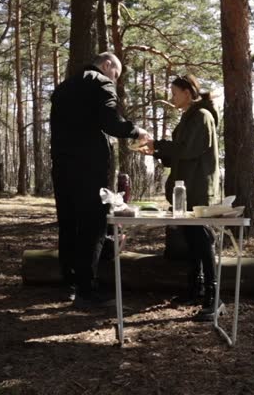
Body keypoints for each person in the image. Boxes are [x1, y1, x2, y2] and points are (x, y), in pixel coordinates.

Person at [50, 52, 152, 309]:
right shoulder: (101, 83)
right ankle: (86, 290)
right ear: (107, 65)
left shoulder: (64, 88)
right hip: (88, 168)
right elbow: (111, 122)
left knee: (68, 223)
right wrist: (136, 130)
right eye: (115, 74)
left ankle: (69, 285)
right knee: (92, 226)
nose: (115, 81)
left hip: (62, 166)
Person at [141, 74, 223, 321]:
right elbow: (181, 152)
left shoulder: (201, 116)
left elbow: (189, 150)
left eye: (175, 93)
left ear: (188, 92)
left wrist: (159, 146)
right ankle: (195, 288)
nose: (172, 97)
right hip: (185, 189)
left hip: (197, 188)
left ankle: (213, 295)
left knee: (201, 239)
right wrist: (157, 151)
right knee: (192, 239)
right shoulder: (191, 117)